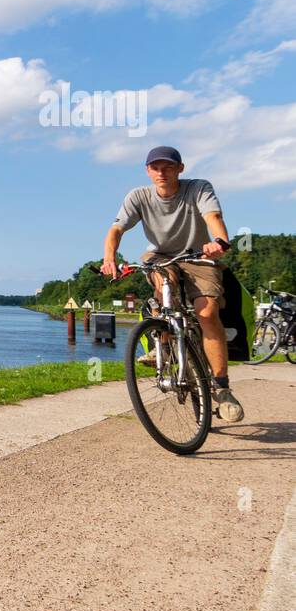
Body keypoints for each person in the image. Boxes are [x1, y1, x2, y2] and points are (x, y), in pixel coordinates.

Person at [101, 145, 243, 422]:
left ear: (180, 168)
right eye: (155, 167)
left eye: (168, 167)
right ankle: (162, 345)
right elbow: (116, 229)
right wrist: (109, 258)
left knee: (207, 312)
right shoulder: (138, 196)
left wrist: (219, 242)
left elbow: (213, 217)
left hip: (199, 255)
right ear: (147, 171)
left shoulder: (198, 188)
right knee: (162, 282)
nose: (161, 172)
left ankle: (222, 388)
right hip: (162, 255)